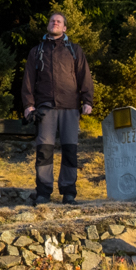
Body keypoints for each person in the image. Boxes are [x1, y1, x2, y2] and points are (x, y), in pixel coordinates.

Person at [20, 12, 94, 204]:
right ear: (48, 26)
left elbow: (84, 76)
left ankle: (69, 191)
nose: (55, 23)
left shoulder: (74, 50)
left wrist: (87, 101)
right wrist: (28, 105)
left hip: (70, 107)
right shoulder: (36, 51)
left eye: (59, 21)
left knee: (70, 150)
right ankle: (43, 192)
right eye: (52, 20)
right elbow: (28, 80)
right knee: (44, 150)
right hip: (45, 107)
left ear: (64, 28)